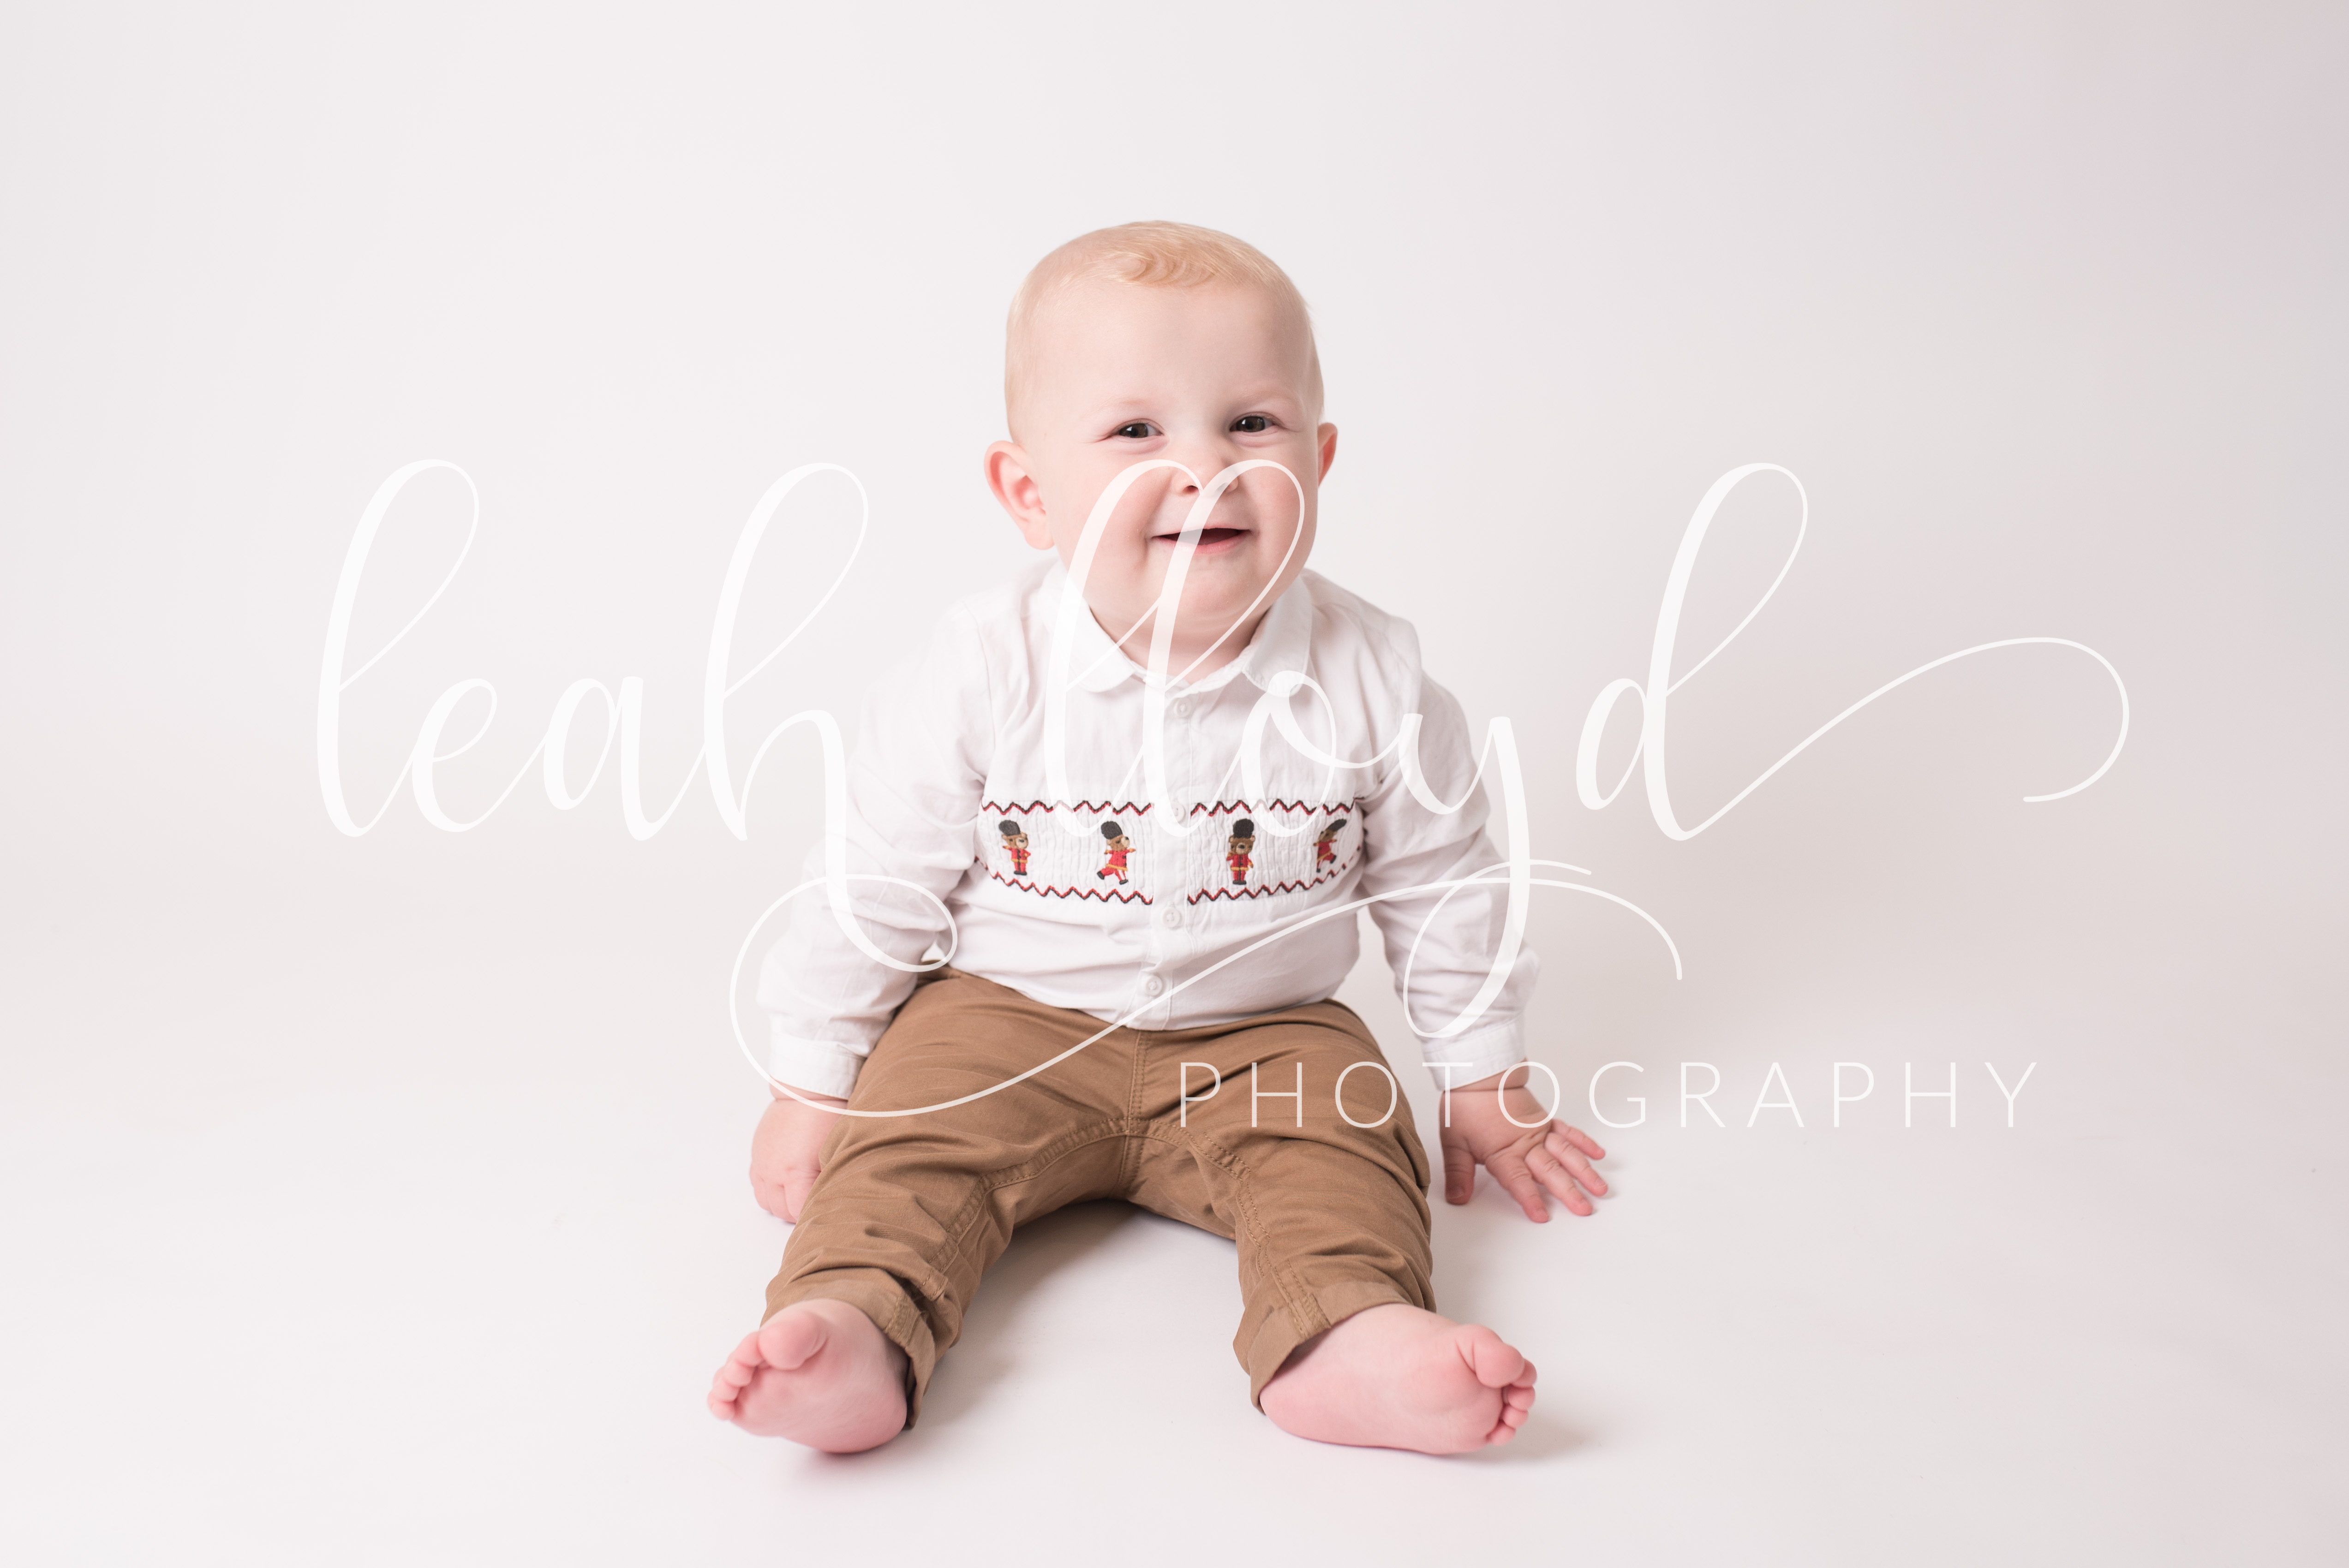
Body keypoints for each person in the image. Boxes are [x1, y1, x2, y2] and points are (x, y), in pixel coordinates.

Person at [708, 221, 1610, 1456]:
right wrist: (811, 1080)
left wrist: (1482, 1076)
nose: (1205, 467)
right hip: (1004, 1015)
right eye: (1136, 430)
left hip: (1268, 1031)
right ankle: (855, 1325)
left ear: (1318, 459)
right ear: (1031, 494)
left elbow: (1442, 885)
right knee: (906, 1142)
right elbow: (876, 880)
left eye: (1251, 423)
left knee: (1346, 1142)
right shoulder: (982, 669)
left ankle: (1346, 1337)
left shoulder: (1376, 677)